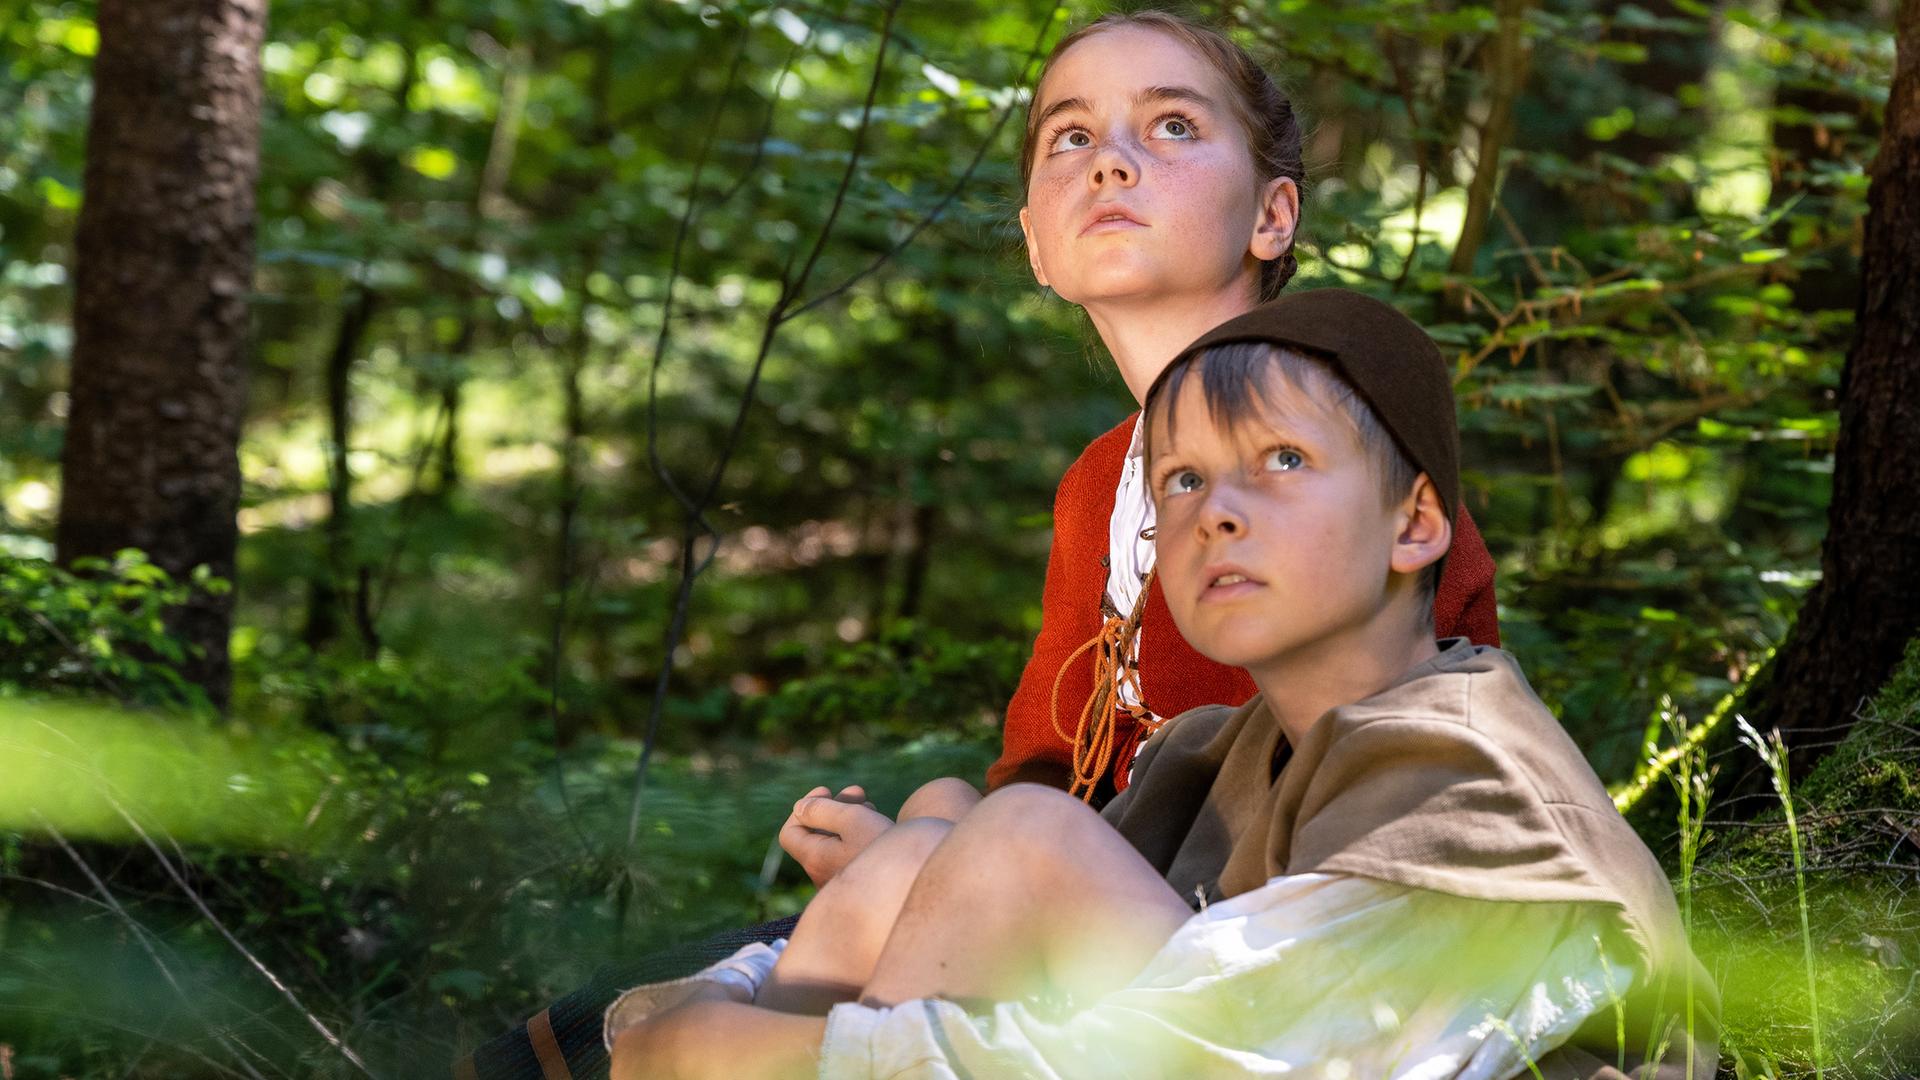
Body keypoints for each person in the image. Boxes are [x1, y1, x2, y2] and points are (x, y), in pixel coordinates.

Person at [604, 289, 1720, 1080]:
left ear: (1416, 522)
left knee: (1021, 839)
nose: (1219, 511)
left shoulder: (1466, 778)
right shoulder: (1224, 752)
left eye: (1284, 461)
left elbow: (1182, 1061)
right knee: (938, 847)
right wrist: (724, 1012)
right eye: (1183, 480)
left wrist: (750, 1051)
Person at [782, 8, 1503, 895]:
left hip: (1271, 895)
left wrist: (929, 879)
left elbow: (1358, 787)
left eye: (1172, 126)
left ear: (1273, 215)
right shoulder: (1098, 486)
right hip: (1105, 872)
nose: (1109, 162)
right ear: (1037, 244)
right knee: (941, 799)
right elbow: (1045, 774)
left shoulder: (1338, 454)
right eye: (1072, 136)